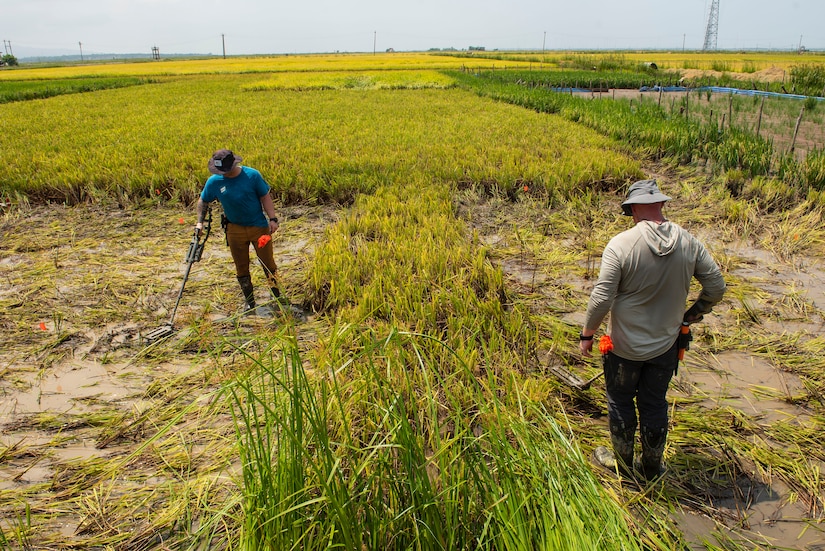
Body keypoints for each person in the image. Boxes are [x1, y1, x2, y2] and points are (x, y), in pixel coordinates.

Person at [579, 179, 726, 480]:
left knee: (620, 401)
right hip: (665, 348)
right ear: (661, 204)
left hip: (622, 347)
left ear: (632, 209)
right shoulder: (690, 242)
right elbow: (716, 287)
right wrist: (691, 315)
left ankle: (622, 465)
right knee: (654, 402)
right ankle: (651, 468)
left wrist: (588, 334)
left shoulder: (620, 245)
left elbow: (602, 297)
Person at [195, 149, 282, 314]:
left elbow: (265, 197)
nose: (223, 174)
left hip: (258, 227)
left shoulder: (252, 176)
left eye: (225, 171)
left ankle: (276, 295)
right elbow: (203, 200)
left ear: (234, 164)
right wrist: (199, 223)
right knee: (241, 267)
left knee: (268, 263)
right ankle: (250, 302)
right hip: (234, 229)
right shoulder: (214, 182)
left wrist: (273, 219)